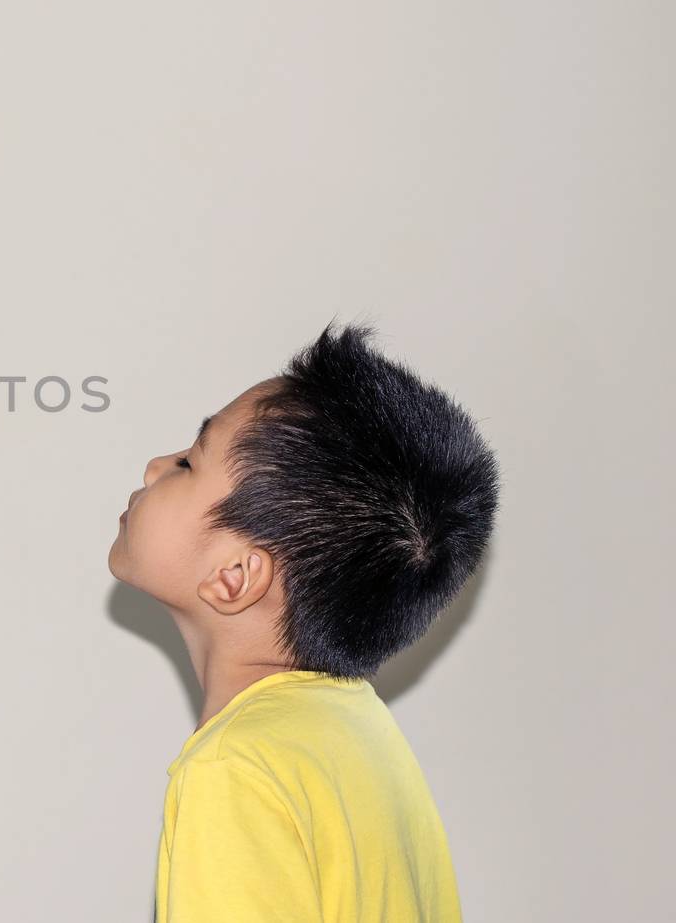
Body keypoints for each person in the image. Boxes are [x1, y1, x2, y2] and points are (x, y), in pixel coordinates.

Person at [109, 319, 500, 922]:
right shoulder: (357, 733)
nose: (155, 466)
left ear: (234, 577)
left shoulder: (233, 772)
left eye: (190, 462)